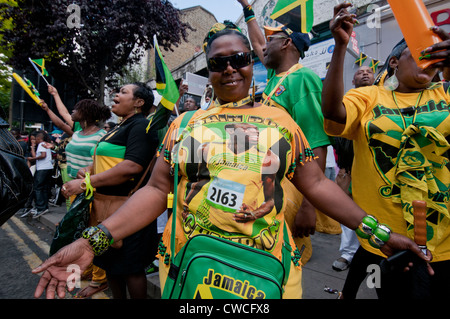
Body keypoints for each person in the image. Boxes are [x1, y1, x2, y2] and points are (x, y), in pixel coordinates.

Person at [32, 21, 430, 300]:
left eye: (238, 58)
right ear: (210, 69)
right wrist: (94, 239)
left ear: (250, 62)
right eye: (217, 63)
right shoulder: (187, 124)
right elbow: (157, 191)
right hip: (191, 270)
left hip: (265, 272)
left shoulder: (279, 121)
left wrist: (379, 233)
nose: (228, 69)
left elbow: (318, 184)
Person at [322, 3, 450, 298]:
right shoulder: (369, 97)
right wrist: (339, 47)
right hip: (388, 241)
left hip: (445, 241)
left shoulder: (444, 94)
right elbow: (332, 110)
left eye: (434, 58)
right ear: (394, 61)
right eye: (418, 54)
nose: (426, 63)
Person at [236, 0, 339, 264]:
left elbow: (315, 143)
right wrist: (248, 10)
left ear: (286, 44)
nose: (263, 46)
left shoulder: (302, 78)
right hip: (268, 184)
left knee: (284, 262)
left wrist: (309, 205)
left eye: (272, 39)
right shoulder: (274, 79)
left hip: (291, 189)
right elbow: (259, 44)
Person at [60, 82, 160, 299]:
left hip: (129, 208)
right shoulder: (119, 126)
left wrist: (87, 182)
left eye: (123, 92)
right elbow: (110, 161)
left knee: (131, 269)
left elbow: (132, 166)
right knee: (111, 265)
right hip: (104, 207)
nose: (116, 94)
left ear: (139, 103)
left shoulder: (140, 126)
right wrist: (89, 170)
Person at [332, 65, 375, 272]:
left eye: (369, 71)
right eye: (359, 72)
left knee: (376, 213)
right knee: (348, 213)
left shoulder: (384, 99)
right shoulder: (347, 103)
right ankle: (348, 254)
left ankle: (377, 252)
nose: (365, 73)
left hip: (377, 172)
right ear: (352, 80)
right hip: (348, 170)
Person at [21, 130, 53, 218]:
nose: (35, 140)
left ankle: (40, 207)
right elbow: (36, 155)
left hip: (43, 168)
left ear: (39, 138)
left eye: (36, 139)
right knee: (44, 188)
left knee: (37, 188)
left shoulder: (42, 144)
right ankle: (44, 206)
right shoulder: (45, 144)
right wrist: (32, 148)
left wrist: (34, 159)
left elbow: (43, 155)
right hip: (47, 168)